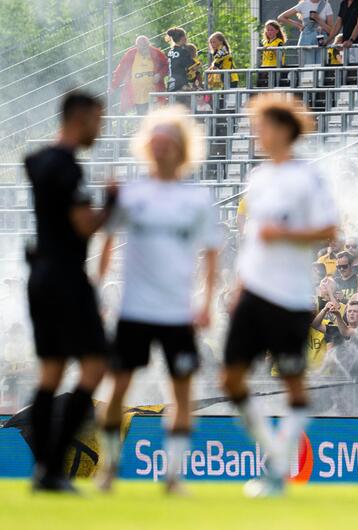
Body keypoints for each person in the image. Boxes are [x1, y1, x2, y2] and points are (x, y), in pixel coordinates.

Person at [221, 94, 339, 497]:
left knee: (293, 385)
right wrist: (238, 287)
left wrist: (285, 234)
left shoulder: (307, 178)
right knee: (230, 376)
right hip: (254, 290)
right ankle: (273, 454)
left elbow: (329, 230)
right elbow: (255, 240)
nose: (257, 134)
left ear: (284, 131)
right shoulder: (257, 178)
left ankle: (275, 470)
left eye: (263, 127)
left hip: (289, 296)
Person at [96, 107, 219, 494]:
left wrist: (206, 303)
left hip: (178, 313)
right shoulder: (132, 194)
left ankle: (173, 476)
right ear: (148, 145)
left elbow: (213, 253)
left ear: (182, 147)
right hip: (134, 310)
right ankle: (109, 467)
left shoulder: (196, 199)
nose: (162, 146)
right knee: (117, 389)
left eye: (170, 140)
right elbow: (107, 239)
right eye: (156, 138)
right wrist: (95, 289)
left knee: (181, 393)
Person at [24, 93, 114, 492]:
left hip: (41, 275)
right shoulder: (68, 168)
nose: (101, 127)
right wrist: (111, 204)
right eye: (98, 119)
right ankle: (54, 463)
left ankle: (45, 469)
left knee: (51, 373)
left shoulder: (41, 161)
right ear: (80, 119)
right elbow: (83, 226)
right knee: (95, 366)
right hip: (65, 279)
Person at [110, 36, 168, 114]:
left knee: (155, 116)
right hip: (137, 95)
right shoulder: (131, 54)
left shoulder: (156, 53)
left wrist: (160, 75)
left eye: (146, 46)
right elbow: (121, 70)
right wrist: (114, 86)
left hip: (154, 94)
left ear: (149, 44)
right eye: (141, 47)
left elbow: (167, 65)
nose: (144, 49)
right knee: (141, 118)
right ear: (136, 46)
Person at [279, 0, 335, 66]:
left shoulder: (326, 5)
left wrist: (318, 19)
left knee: (321, 70)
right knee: (307, 69)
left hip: (322, 42)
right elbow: (281, 17)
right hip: (306, 41)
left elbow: (331, 31)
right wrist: (297, 24)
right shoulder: (303, 4)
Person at [332, 0, 358, 64]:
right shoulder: (343, 4)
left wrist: (351, 40)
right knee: (347, 71)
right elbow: (338, 24)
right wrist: (326, 41)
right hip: (346, 45)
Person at [165, 27, 194, 93]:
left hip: (171, 82)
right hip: (181, 84)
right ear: (183, 38)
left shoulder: (170, 51)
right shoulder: (183, 51)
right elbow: (191, 66)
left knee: (173, 103)